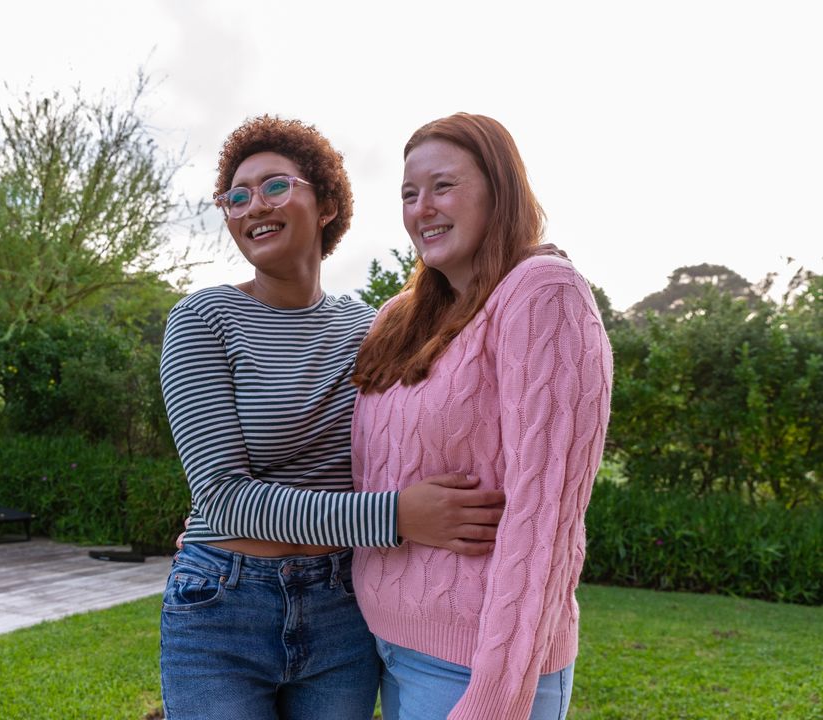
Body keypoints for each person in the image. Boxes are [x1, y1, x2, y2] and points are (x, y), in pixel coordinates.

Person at [158, 115, 506, 720]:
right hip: (221, 606)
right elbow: (221, 497)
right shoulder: (202, 320)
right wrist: (398, 516)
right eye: (235, 197)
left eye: (273, 186)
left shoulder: (374, 328)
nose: (251, 207)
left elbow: (440, 410)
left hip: (342, 607)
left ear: (325, 203)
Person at [350, 112, 613, 720]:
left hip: (470, 668)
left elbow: (544, 515)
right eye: (409, 195)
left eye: (443, 186)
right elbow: (361, 470)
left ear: (500, 188)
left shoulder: (542, 292)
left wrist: (495, 698)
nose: (422, 209)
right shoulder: (402, 315)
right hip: (381, 642)